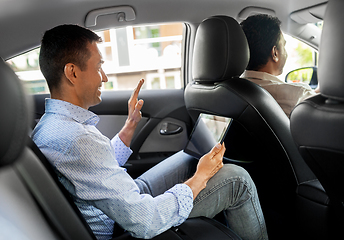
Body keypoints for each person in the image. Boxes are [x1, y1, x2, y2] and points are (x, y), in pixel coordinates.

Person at [32, 24, 268, 240]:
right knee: (237, 179)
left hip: (116, 205)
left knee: (189, 158)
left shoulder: (51, 125)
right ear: (72, 72)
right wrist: (200, 178)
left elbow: (93, 172)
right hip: (124, 225)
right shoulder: (76, 140)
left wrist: (129, 126)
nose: (103, 77)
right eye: (99, 67)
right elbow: (146, 220)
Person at [240, 14, 319, 118]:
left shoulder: (231, 90)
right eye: (283, 45)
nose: (286, 53)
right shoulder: (298, 95)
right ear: (275, 53)